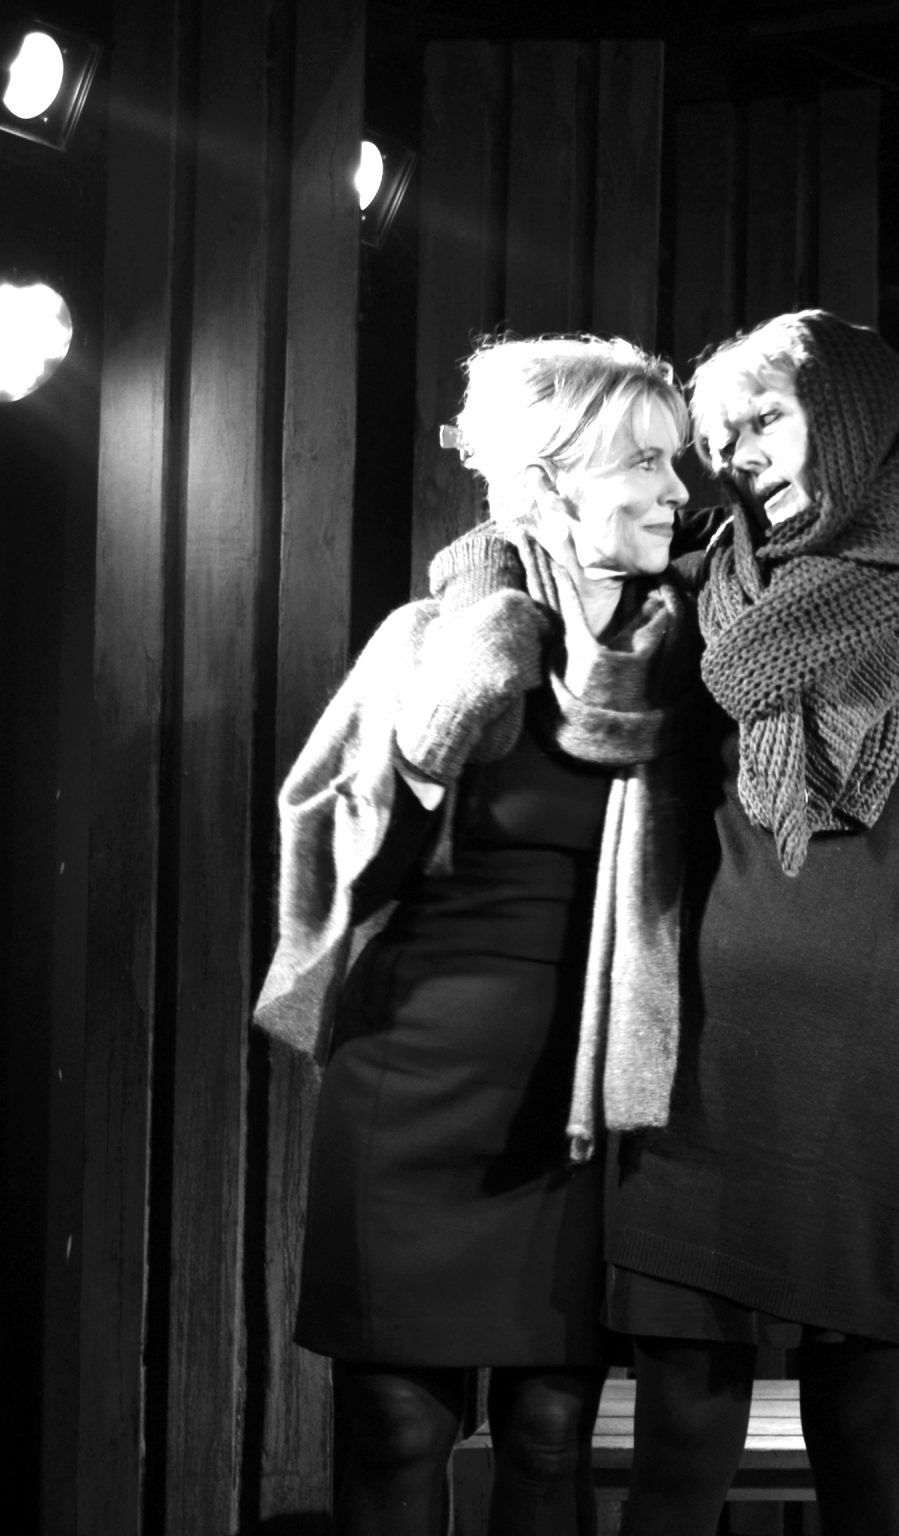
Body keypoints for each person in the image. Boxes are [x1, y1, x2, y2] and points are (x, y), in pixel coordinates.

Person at [254, 333, 692, 1536]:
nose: (676, 489)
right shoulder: (433, 636)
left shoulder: (684, 656)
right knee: (397, 1430)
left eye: (676, 461)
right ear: (551, 480)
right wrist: (443, 728)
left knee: (550, 1439)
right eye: (643, 463)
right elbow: (337, 872)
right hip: (413, 1076)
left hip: (581, 1092)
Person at [599, 310, 899, 1536]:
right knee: (679, 1442)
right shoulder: (694, 590)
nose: (736, 456)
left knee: (861, 1442)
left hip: (888, 1057)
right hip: (702, 1058)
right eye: (720, 436)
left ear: (850, 418)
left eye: (766, 419)